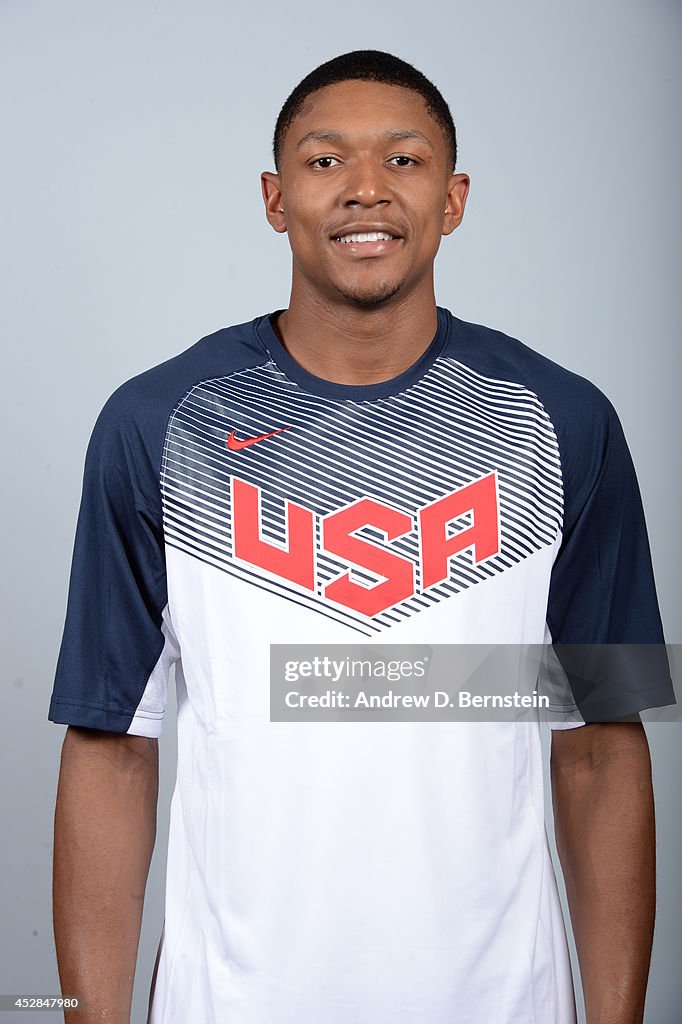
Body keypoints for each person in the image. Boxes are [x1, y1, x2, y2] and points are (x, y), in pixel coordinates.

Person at [49, 49, 675, 1024]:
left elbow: (600, 746)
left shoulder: (562, 421)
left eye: (405, 160)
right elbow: (109, 746)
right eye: (325, 160)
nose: (366, 189)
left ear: (455, 198)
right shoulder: (159, 423)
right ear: (273, 196)